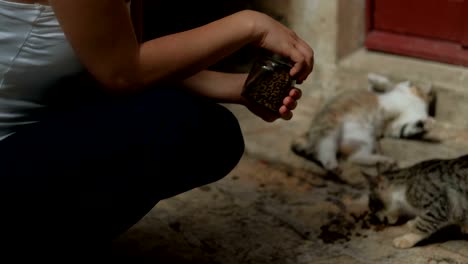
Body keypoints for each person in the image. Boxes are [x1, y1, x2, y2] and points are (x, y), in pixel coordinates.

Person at [0, 0, 314, 260]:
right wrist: (250, 26)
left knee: (210, 133)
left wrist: (238, 88)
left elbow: (116, 61)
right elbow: (123, 73)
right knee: (185, 128)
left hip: (25, 137)